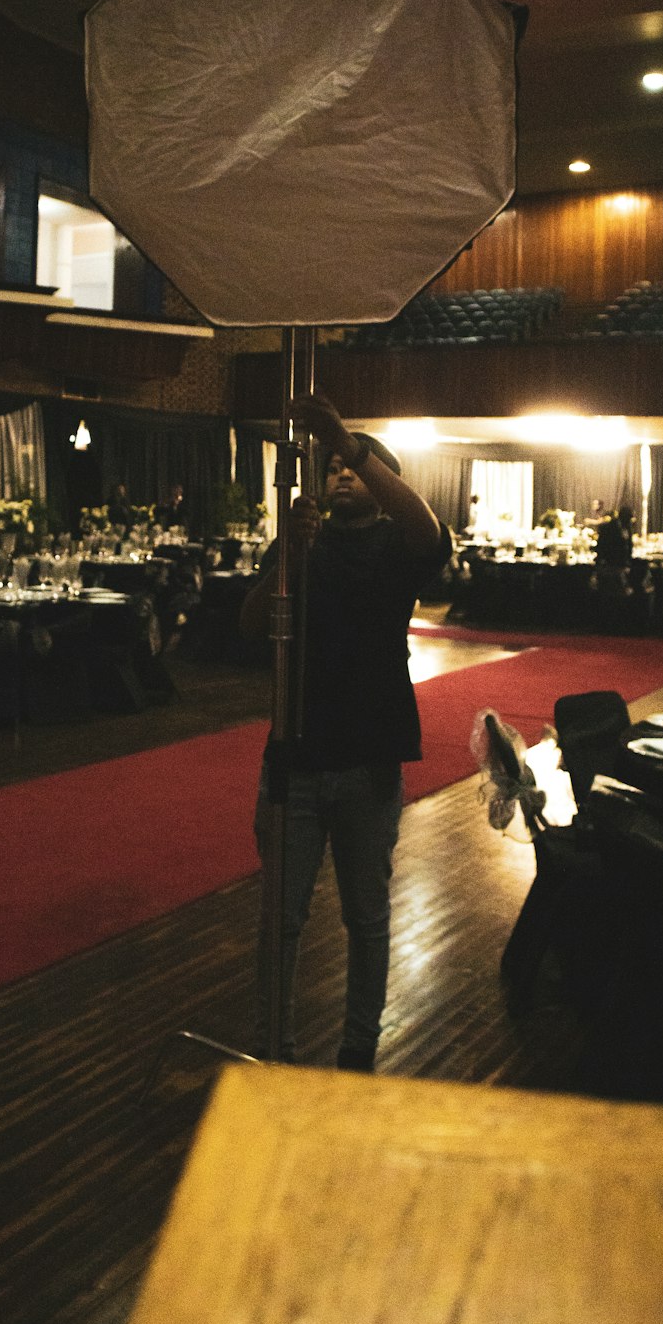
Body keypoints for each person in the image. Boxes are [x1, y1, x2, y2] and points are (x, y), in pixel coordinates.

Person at [240, 392, 453, 1072]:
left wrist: (350, 439)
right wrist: (294, 556)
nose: (339, 473)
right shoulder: (305, 540)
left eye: (354, 468)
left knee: (366, 915)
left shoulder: (396, 546)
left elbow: (430, 533)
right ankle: (276, 1043)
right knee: (282, 917)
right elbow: (248, 628)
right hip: (295, 756)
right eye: (333, 465)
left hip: (368, 760)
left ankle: (358, 1046)